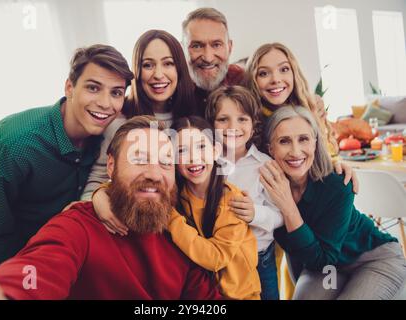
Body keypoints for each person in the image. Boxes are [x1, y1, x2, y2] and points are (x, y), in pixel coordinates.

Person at [0, 116, 222, 300]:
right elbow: (35, 273)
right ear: (111, 166)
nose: (154, 173)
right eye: (139, 158)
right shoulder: (77, 228)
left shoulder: (181, 234)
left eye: (165, 162)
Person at [0, 44, 133, 268]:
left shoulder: (106, 135)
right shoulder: (12, 145)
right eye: (93, 88)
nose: (106, 103)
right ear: (69, 87)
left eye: (116, 92)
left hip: (77, 257)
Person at [260, 106, 406, 300]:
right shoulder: (265, 189)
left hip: (373, 259)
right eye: (284, 141)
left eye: (303, 139)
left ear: (314, 143)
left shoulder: (337, 183)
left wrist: (287, 205)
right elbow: (297, 253)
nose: (295, 151)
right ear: (271, 148)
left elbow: (321, 259)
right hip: (330, 268)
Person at [81, 29, 197, 199]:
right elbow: (98, 178)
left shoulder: (193, 115)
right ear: (137, 70)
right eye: (148, 65)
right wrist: (97, 200)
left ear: (179, 68)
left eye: (168, 63)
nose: (158, 75)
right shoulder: (119, 121)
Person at [168, 116, 260, 300]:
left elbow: (216, 258)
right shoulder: (178, 195)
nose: (194, 157)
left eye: (201, 147)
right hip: (205, 295)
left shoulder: (232, 200)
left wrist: (169, 218)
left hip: (240, 296)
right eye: (182, 150)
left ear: (215, 151)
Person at [205, 85, 283, 300]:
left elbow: (281, 215)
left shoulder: (266, 166)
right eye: (223, 119)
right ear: (212, 124)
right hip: (220, 260)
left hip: (259, 260)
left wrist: (255, 214)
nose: (233, 127)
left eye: (242, 119)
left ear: (253, 123)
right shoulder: (206, 163)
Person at [182, 7, 244, 114]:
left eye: (216, 45)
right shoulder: (172, 88)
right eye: (197, 46)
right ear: (182, 49)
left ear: (229, 48)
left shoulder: (245, 81)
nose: (208, 58)